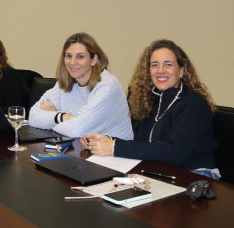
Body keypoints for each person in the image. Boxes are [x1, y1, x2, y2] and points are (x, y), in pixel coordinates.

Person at [82, 39, 220, 179]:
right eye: (155, 65)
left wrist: (115, 147)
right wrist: (107, 140)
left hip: (196, 176)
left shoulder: (195, 103)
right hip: (158, 172)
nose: (160, 71)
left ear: (182, 71)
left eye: (168, 64)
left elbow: (175, 153)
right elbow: (142, 146)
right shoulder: (148, 102)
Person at [29, 33, 133, 139]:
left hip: (113, 153)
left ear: (93, 60)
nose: (73, 62)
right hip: (82, 148)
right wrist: (63, 116)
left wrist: (51, 120)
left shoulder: (107, 86)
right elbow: (33, 116)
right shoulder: (64, 83)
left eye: (80, 57)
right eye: (68, 56)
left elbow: (76, 131)